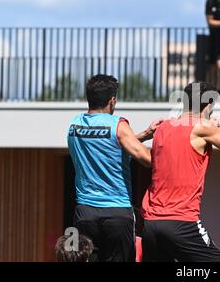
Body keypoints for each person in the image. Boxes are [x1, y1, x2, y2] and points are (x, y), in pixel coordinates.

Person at [141, 81, 220, 262]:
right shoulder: (203, 128)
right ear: (209, 105)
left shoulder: (163, 127)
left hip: (151, 223)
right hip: (182, 222)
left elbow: (200, 134)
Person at [67, 74, 161, 262]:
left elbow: (107, 142)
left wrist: (145, 134)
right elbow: (147, 159)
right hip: (116, 213)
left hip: (85, 213)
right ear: (112, 100)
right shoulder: (118, 124)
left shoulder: (74, 126)